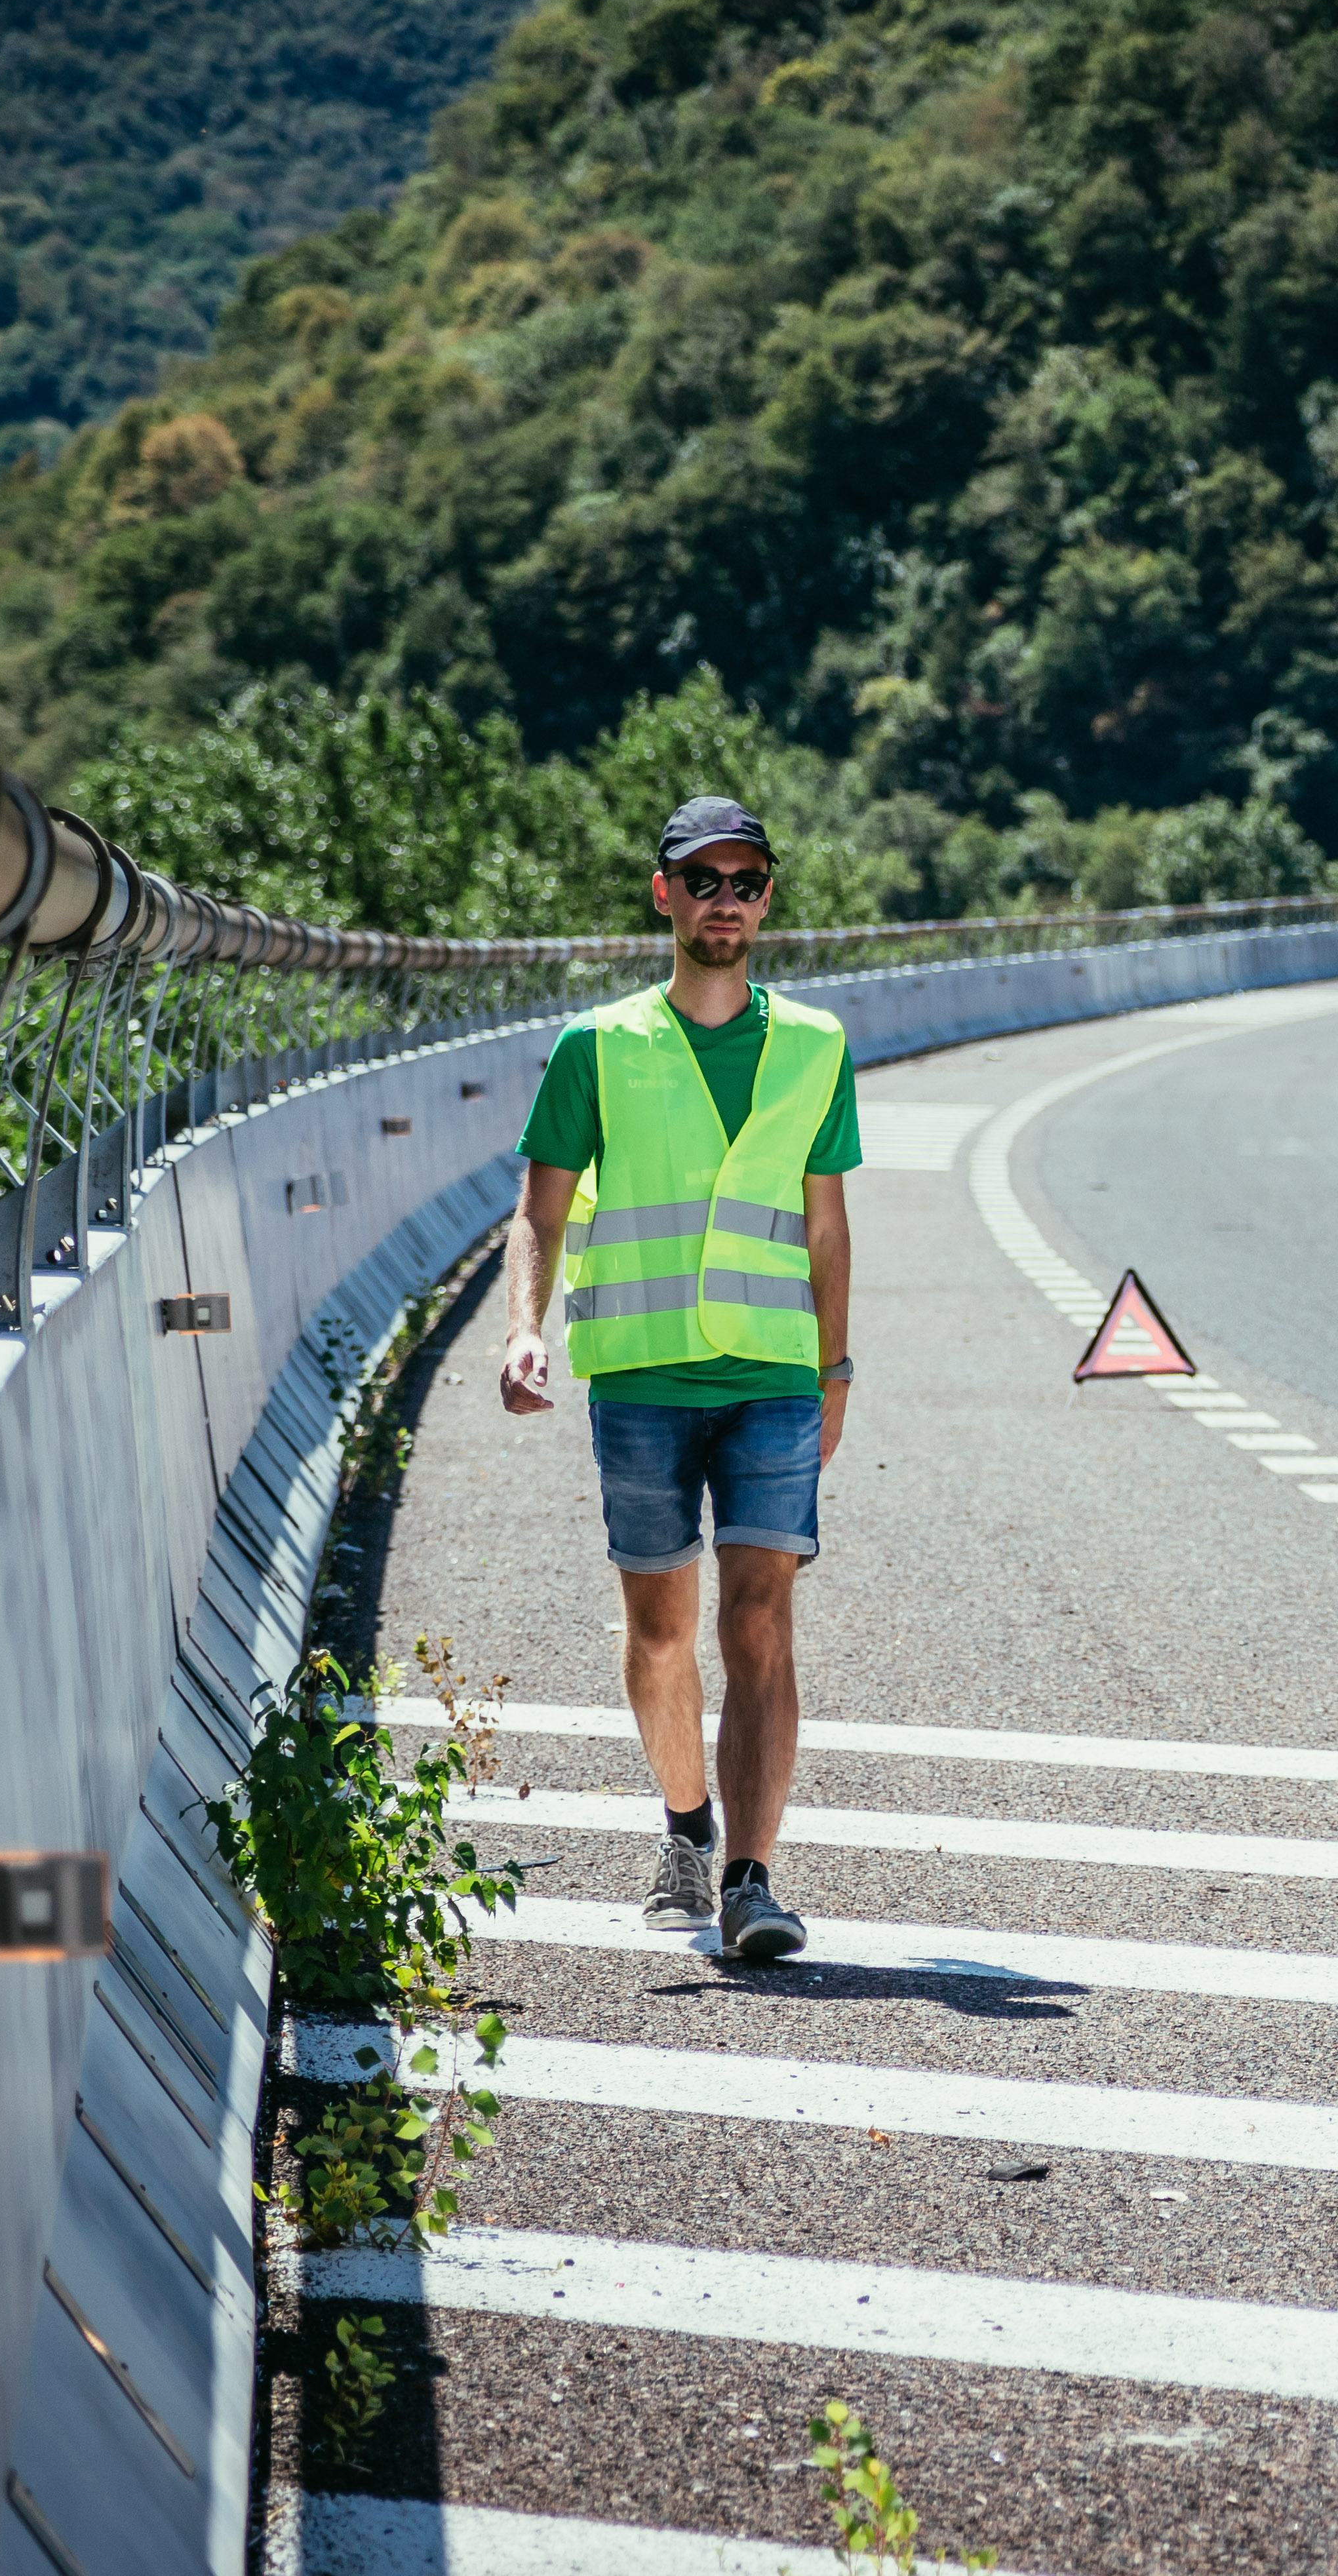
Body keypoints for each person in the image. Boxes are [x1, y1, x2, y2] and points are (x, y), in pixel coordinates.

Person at [496, 796, 858, 1964]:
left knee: (760, 1624)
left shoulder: (817, 1045)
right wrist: (524, 1329)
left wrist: (837, 1366)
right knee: (662, 1635)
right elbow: (539, 1211)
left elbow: (827, 1226)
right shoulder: (594, 1048)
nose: (725, 900)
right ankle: (686, 1829)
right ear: (664, 896)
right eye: (702, 880)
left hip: (772, 1376)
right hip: (644, 1378)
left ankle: (752, 1880)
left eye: (745, 881)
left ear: (766, 899)